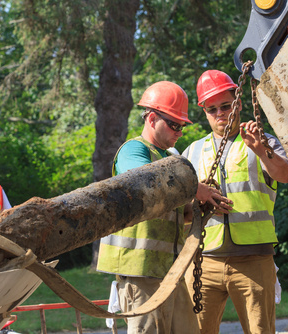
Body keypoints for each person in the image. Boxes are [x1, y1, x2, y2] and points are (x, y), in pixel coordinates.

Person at [96, 81, 231, 334]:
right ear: (151, 118)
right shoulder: (133, 149)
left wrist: (197, 209)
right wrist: (194, 188)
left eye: (182, 126)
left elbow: (172, 212)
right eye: (173, 124)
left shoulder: (171, 159)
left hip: (170, 274)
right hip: (140, 273)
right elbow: (144, 182)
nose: (179, 131)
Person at [182, 70, 288, 334]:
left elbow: (285, 175)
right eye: (212, 109)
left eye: (226, 105)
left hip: (254, 260)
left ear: (239, 104)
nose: (220, 113)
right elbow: (182, 209)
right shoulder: (193, 151)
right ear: (205, 112)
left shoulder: (262, 143)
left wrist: (261, 151)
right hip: (203, 262)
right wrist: (200, 204)